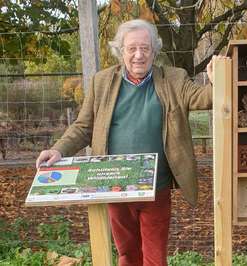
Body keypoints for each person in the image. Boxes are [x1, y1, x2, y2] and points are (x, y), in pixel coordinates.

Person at [36, 19, 224, 266]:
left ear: (154, 51)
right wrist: (57, 149)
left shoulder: (173, 78)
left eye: (145, 48)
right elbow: (83, 126)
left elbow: (203, 98)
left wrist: (216, 79)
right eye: (132, 48)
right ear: (120, 51)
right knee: (127, 255)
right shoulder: (102, 82)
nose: (138, 55)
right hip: (116, 185)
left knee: (155, 258)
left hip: (156, 186)